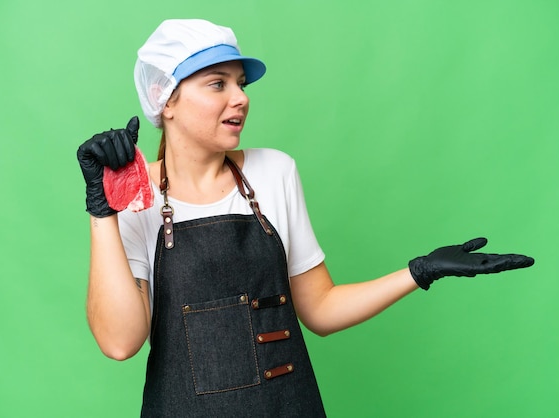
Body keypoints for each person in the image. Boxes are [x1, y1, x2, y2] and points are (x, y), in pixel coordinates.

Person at [77, 19, 534, 417]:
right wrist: (103, 210)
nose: (240, 98)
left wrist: (419, 272)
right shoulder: (136, 197)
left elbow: (320, 308)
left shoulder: (274, 172)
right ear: (165, 99)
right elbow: (121, 343)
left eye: (242, 83)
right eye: (218, 83)